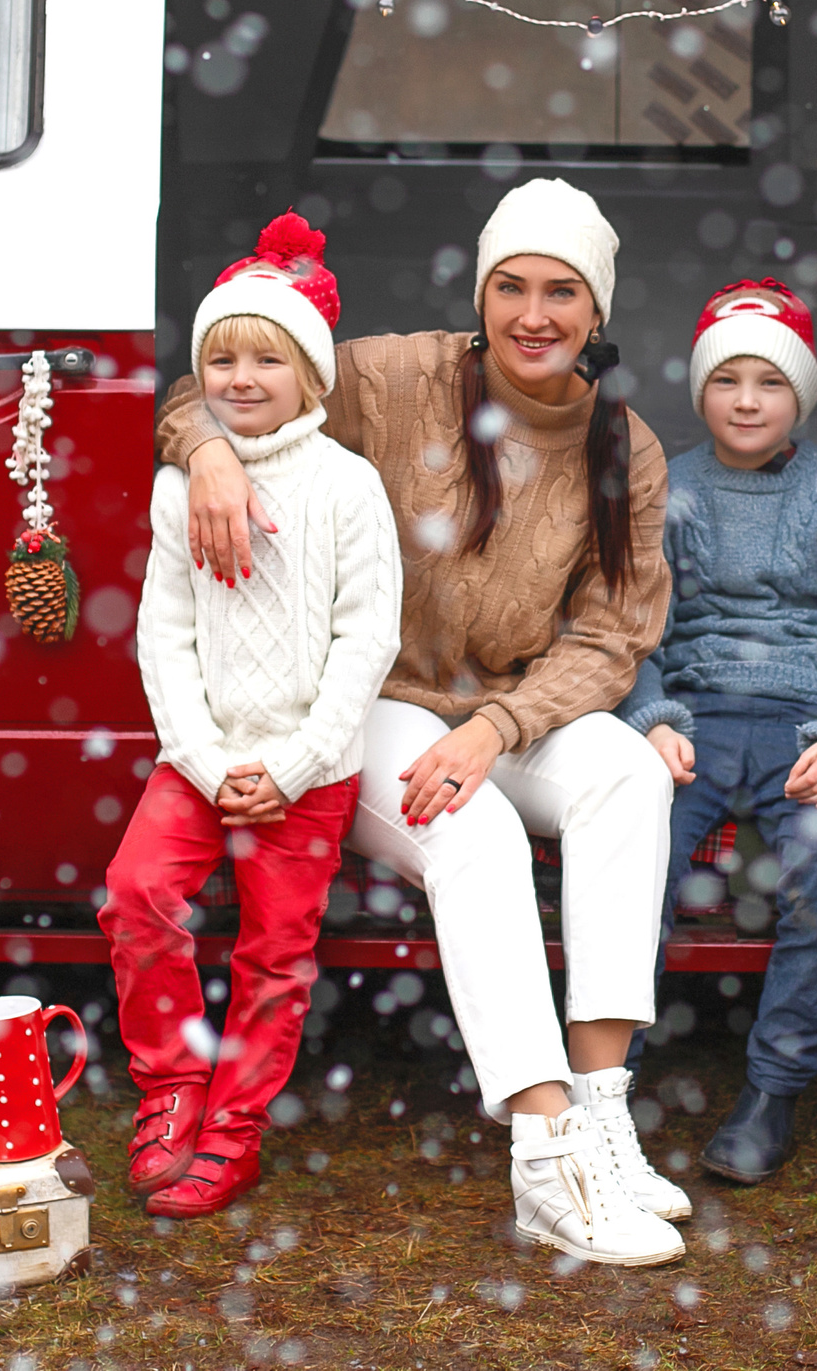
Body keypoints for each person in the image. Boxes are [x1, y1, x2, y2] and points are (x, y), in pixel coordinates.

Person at [164, 178, 686, 1265]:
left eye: (561, 293)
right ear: (480, 289)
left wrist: (498, 727)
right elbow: (224, 376)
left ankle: (600, 1110)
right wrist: (207, 449)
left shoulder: (621, 444)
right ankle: (543, 1158)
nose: (532, 314)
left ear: (597, 313)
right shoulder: (393, 376)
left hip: (506, 706)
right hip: (362, 702)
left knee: (628, 773)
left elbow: (611, 635)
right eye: (511, 287)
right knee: (476, 833)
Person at [101, 214, 403, 1219]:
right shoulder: (179, 486)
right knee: (135, 894)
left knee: (274, 953)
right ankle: (172, 1092)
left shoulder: (348, 489)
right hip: (202, 755)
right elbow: (165, 634)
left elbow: (367, 641)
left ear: (309, 376)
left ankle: (235, 1133)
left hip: (308, 768)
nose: (238, 377)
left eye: (264, 358)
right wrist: (196, 754)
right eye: (219, 357)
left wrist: (297, 762)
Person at [620, 277, 817, 1183]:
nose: (747, 399)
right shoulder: (670, 490)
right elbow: (633, 632)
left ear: (800, 396)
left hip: (799, 725)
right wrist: (652, 720)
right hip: (693, 721)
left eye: (770, 383)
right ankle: (601, 1082)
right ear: (701, 389)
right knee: (626, 859)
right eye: (728, 378)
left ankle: (774, 1089)